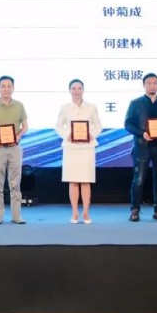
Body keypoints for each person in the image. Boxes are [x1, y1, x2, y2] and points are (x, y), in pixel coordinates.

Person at [124, 73, 157, 222]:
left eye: (155, 83)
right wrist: (142, 134)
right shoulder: (135, 103)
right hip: (142, 147)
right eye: (149, 83)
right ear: (144, 85)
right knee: (139, 179)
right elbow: (128, 124)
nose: (152, 86)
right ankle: (135, 210)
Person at [55, 79, 103, 224]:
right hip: (71, 147)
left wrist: (91, 135)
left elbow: (98, 126)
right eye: (74, 88)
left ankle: (86, 213)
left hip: (87, 148)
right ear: (69, 91)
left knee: (86, 181)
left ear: (83, 90)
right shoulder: (65, 108)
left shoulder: (91, 107)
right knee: (73, 180)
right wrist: (67, 135)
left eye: (79, 88)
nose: (76, 91)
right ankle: (75, 212)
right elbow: (58, 126)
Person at [0, 76, 28, 225]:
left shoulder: (19, 105)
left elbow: (25, 126)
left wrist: (18, 135)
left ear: (13, 88)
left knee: (15, 184)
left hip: (15, 149)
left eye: (9, 86)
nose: (6, 89)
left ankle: (16, 216)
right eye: (3, 86)